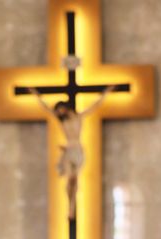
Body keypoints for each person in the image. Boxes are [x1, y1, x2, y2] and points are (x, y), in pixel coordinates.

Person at [28, 85, 115, 219]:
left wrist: (106, 93)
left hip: (78, 150)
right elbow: (46, 107)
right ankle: (70, 208)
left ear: (65, 107)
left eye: (60, 109)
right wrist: (35, 94)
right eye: (58, 111)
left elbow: (95, 105)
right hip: (68, 151)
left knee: (75, 180)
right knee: (70, 179)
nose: (59, 112)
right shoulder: (61, 121)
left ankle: (73, 206)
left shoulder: (79, 117)